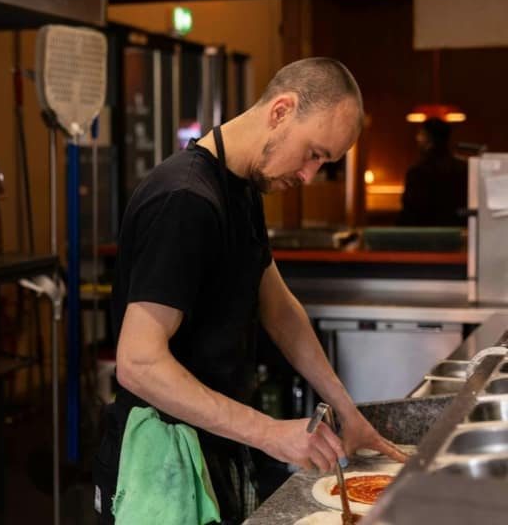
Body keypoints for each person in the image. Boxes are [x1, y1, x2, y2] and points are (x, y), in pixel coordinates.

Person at [93, 58, 406, 525]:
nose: (309, 176)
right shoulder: (184, 200)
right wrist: (270, 433)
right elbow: (138, 364)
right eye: (313, 154)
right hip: (162, 459)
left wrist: (347, 411)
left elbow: (279, 308)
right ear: (281, 111)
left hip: (216, 440)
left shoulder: (240, 189)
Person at [398, 117, 468, 226]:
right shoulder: (464, 168)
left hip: (424, 232)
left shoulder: (418, 171)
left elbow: (411, 211)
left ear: (428, 138)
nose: (417, 138)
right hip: (457, 232)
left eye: (420, 134)